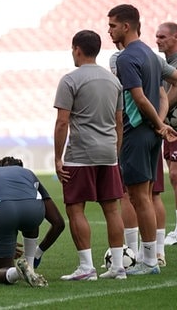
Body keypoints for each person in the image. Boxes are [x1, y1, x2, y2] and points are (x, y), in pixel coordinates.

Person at [108, 4, 177, 275]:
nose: (109, 30)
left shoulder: (126, 58)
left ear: (127, 26)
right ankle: (150, 257)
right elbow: (163, 91)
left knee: (138, 197)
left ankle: (148, 262)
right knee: (146, 195)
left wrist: (158, 123)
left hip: (136, 132)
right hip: (151, 133)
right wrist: (159, 123)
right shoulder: (150, 53)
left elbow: (138, 97)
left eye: (113, 25)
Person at [54, 30, 126, 280]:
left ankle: (86, 268)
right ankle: (118, 266)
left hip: (81, 153)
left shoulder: (70, 80)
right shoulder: (114, 81)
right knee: (112, 210)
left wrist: (57, 158)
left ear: (77, 49)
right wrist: (115, 152)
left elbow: (62, 122)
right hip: (108, 152)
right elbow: (119, 122)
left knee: (75, 208)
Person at [0, 156, 63, 287]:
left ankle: (17, 272)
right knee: (31, 213)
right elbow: (58, 223)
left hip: (3, 211)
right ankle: (30, 265)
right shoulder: (28, 174)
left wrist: (4, 242)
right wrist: (39, 252)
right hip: (34, 213)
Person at [157, 22, 177, 246]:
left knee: (174, 175)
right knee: (173, 175)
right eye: (156, 36)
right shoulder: (164, 64)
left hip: (172, 125)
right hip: (169, 128)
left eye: (163, 36)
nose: (158, 40)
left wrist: (157, 116)